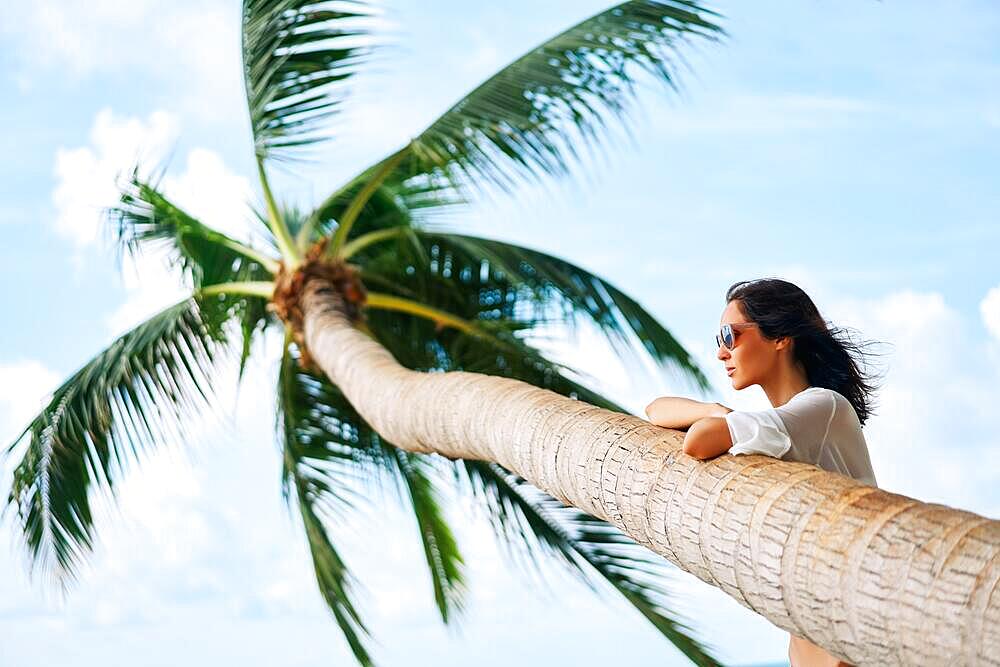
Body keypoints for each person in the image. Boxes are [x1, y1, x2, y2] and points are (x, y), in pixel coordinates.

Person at [644, 278, 886, 667]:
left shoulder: (823, 406)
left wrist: (718, 419)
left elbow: (698, 442)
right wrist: (714, 409)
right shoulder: (776, 427)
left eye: (730, 335)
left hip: (850, 631)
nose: (723, 353)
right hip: (811, 631)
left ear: (781, 337)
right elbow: (655, 409)